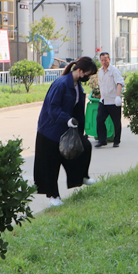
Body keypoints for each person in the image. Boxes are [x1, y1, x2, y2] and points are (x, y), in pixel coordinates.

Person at [34, 57, 98, 207]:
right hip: (50, 130)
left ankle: (82, 176)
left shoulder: (77, 85)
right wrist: (67, 119)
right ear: (80, 71)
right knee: (52, 164)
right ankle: (53, 197)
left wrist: (78, 127)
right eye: (88, 74)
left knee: (84, 147)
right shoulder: (61, 84)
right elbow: (53, 108)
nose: (88, 77)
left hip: (66, 128)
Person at [95, 52, 125, 148]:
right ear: (100, 61)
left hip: (113, 101)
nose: (104, 62)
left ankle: (116, 141)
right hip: (103, 100)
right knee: (99, 119)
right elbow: (101, 84)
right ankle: (102, 140)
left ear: (109, 59)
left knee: (116, 122)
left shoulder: (114, 71)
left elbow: (119, 83)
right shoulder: (100, 71)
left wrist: (118, 96)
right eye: (102, 60)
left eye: (106, 60)